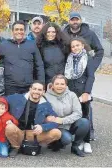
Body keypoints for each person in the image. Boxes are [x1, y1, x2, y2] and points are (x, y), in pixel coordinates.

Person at [64, 12, 104, 141]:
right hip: (69, 75)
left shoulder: (89, 33)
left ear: (80, 20)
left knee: (85, 104)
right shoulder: (64, 34)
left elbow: (100, 50)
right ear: (69, 21)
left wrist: (92, 65)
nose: (74, 22)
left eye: (77, 19)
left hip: (85, 76)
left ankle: (89, 131)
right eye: (72, 20)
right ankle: (72, 130)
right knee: (71, 104)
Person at [4, 81, 62, 158]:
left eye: (39, 90)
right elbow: (0, 99)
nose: (36, 91)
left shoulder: (46, 104)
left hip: (34, 134)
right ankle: (16, 147)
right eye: (34, 89)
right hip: (19, 132)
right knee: (9, 127)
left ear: (43, 92)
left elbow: (56, 121)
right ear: (30, 89)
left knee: (57, 133)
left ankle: (34, 146)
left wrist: (43, 127)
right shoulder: (17, 98)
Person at [44, 74, 90, 157]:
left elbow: (78, 113)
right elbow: (43, 115)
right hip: (56, 127)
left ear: (66, 85)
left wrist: (62, 120)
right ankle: (56, 142)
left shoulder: (72, 95)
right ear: (52, 85)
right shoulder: (46, 96)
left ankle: (75, 146)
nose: (59, 86)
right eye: (57, 84)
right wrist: (49, 119)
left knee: (84, 122)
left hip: (69, 124)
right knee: (67, 139)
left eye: (62, 84)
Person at [63, 37, 95, 153]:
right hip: (71, 92)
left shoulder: (88, 58)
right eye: (73, 46)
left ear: (82, 46)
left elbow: (91, 77)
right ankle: (77, 139)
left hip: (83, 93)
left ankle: (86, 141)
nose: (75, 48)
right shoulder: (69, 59)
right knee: (74, 115)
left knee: (84, 116)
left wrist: (87, 92)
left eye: (77, 45)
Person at [0, 21, 45, 95]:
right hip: (10, 87)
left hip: (28, 86)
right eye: (16, 29)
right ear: (12, 31)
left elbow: (39, 65)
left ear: (24, 31)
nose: (19, 32)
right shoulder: (3, 45)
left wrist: (41, 83)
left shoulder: (32, 45)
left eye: (21, 29)